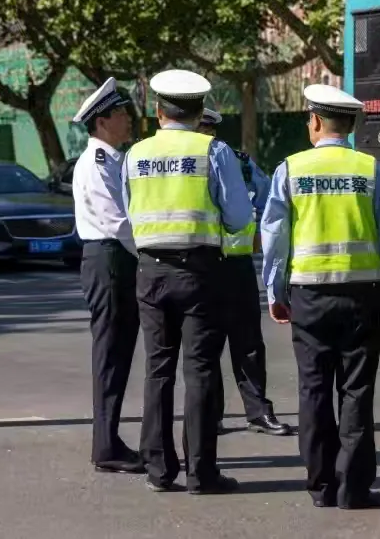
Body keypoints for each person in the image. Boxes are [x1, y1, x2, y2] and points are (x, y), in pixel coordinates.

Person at [260, 84, 380, 510]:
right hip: (362, 295)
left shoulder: (290, 169)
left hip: (308, 295)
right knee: (357, 392)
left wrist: (274, 290)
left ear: (314, 121)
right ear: (349, 126)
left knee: (313, 391)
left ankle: (320, 487)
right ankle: (354, 490)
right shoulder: (372, 171)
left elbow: (275, 239)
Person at [122, 70, 254, 495]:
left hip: (150, 270)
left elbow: (129, 212)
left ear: (158, 111)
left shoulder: (135, 154)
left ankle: (159, 471)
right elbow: (238, 217)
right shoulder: (214, 151)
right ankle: (202, 473)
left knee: (157, 370)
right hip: (201, 271)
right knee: (199, 370)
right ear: (200, 113)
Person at [196, 108, 292, 437]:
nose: (206, 136)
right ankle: (209, 415)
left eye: (210, 130)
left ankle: (258, 413)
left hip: (236, 265)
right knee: (205, 346)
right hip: (199, 265)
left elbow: (269, 201)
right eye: (200, 129)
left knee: (249, 343)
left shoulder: (239, 163)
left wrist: (257, 234)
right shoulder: (182, 165)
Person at [71, 78, 142, 474]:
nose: (128, 120)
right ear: (101, 121)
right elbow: (118, 223)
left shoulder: (115, 160)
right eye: (120, 114)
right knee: (110, 355)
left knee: (118, 354)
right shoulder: (97, 164)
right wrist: (149, 255)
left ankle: (110, 440)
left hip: (117, 259)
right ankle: (106, 446)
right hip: (110, 259)